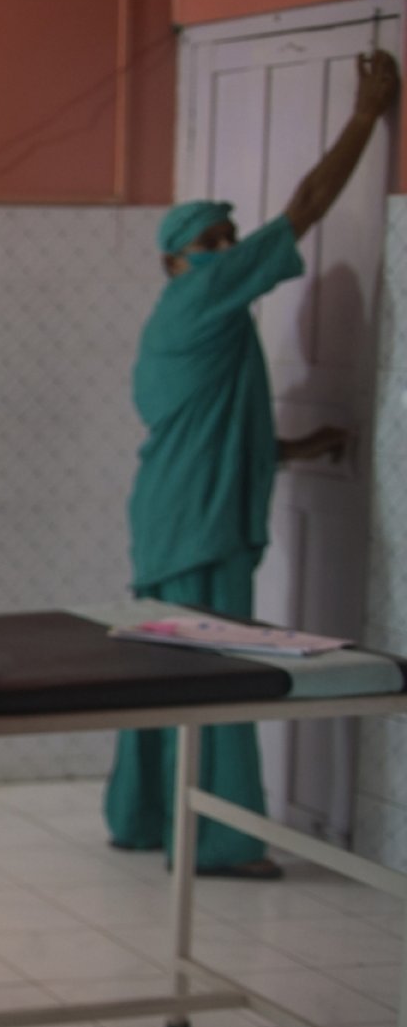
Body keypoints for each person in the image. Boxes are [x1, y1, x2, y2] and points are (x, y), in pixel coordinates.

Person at [106, 48, 399, 878]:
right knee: (222, 676)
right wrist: (367, 116)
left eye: (232, 239)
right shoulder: (203, 293)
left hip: (175, 510)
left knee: (160, 679)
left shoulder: (187, 319)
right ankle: (221, 840)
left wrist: (299, 449)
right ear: (176, 259)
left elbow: (210, 429)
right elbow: (306, 205)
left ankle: (142, 818)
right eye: (212, 240)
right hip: (199, 525)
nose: (229, 248)